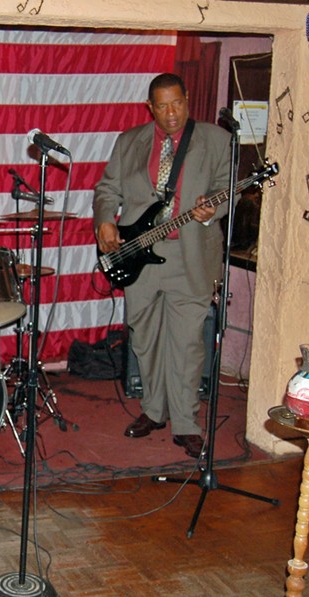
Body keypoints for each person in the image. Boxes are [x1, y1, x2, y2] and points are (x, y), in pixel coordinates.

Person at [93, 73, 231, 459]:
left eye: (178, 104)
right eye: (163, 106)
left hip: (191, 257)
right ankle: (153, 410)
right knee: (145, 339)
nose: (172, 114)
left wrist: (210, 210)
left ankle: (186, 423)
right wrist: (105, 219)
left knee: (187, 345)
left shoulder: (217, 140)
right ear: (150, 107)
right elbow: (107, 189)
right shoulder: (129, 142)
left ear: (188, 100)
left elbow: (227, 186)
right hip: (141, 259)